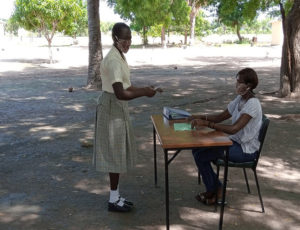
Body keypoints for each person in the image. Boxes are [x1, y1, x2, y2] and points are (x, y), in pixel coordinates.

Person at [93, 22, 161, 212]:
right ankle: (113, 200)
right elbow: (120, 93)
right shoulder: (114, 60)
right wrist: (144, 94)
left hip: (117, 106)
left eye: (130, 39)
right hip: (112, 106)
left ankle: (115, 196)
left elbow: (127, 87)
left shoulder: (120, 56)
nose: (128, 43)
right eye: (125, 39)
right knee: (114, 154)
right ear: (115, 39)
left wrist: (146, 89)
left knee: (118, 153)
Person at [189, 68, 262, 205]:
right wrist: (199, 116)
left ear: (249, 86)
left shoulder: (253, 103)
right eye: (237, 81)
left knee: (201, 155)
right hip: (233, 142)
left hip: (245, 150)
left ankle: (216, 189)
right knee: (197, 149)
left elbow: (234, 129)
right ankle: (215, 188)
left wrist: (207, 123)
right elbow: (221, 117)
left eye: (239, 82)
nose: (236, 85)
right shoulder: (240, 99)